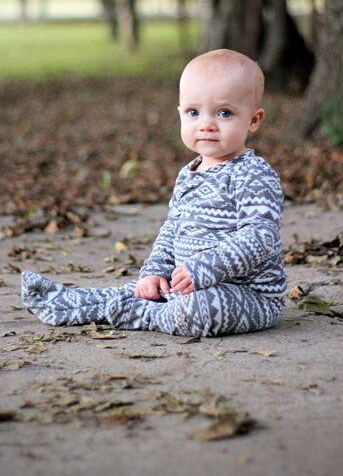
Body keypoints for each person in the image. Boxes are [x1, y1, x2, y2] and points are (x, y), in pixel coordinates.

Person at [21, 49, 286, 337]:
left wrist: (206, 268)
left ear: (253, 120)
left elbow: (260, 236)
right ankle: (75, 301)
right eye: (193, 112)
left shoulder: (253, 173)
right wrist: (154, 271)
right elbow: (172, 229)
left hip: (247, 295)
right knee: (144, 290)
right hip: (189, 283)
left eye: (224, 113)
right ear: (181, 113)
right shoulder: (189, 173)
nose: (206, 124)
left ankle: (139, 313)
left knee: (201, 309)